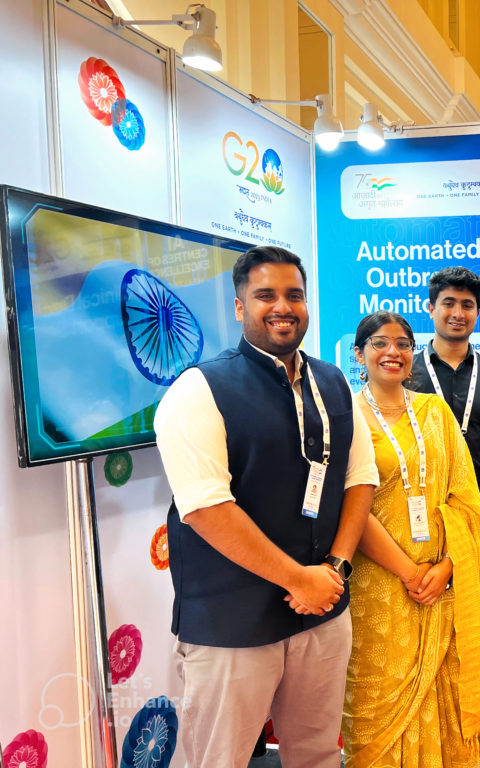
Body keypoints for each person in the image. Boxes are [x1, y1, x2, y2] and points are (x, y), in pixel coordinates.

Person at [153, 245, 378, 768]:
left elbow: (360, 480)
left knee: (318, 754)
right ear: (239, 307)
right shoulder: (198, 389)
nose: (283, 307)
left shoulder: (334, 381)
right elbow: (207, 509)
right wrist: (299, 580)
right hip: (233, 622)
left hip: (322, 612)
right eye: (265, 295)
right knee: (221, 758)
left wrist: (335, 569)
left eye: (294, 295)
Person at [342, 310, 480, 766]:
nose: (393, 352)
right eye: (379, 343)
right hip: (379, 586)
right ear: (360, 353)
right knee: (377, 703)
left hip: (441, 584)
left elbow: (466, 498)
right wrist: (411, 572)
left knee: (444, 688)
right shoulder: (347, 417)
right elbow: (351, 509)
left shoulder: (436, 411)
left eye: (403, 344)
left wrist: (448, 566)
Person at [407, 266, 480, 582]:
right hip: (423, 513)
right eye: (449, 303)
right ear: (431, 308)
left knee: (477, 613)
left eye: (467, 305)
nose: (458, 313)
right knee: (427, 612)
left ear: (477, 312)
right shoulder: (407, 373)